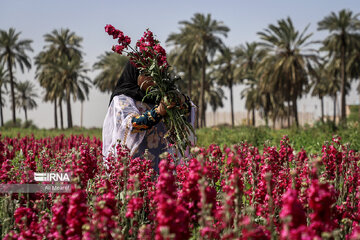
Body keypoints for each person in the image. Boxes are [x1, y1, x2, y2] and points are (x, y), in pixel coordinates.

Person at [102, 60, 196, 173]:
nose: (153, 78)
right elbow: (133, 124)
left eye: (157, 73)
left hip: (161, 162)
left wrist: (181, 100)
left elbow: (186, 114)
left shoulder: (161, 99)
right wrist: (159, 112)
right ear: (135, 74)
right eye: (147, 74)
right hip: (134, 165)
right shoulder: (123, 99)